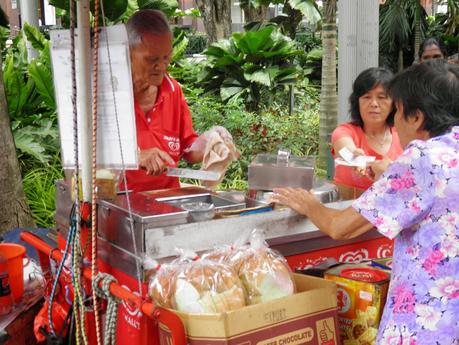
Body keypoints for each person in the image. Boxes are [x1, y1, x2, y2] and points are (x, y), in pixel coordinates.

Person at [272, 60, 459, 344]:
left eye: (395, 109)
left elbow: (340, 227)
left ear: (417, 117)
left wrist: (308, 204)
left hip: (425, 323)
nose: (392, 118)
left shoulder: (421, 157)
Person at [124, 9, 233, 192]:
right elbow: (86, 159)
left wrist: (210, 140)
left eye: (166, 57)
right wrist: (136, 156)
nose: (161, 66)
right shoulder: (106, 95)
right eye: (152, 59)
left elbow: (187, 150)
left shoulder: (173, 90)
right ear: (128, 52)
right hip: (120, 204)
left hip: (168, 199)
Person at [331, 67, 403, 199]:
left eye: (382, 97)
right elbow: (345, 148)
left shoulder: (403, 135)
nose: (374, 104)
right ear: (357, 102)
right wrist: (355, 156)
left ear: (393, 103)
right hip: (346, 212)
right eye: (366, 97)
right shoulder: (344, 131)